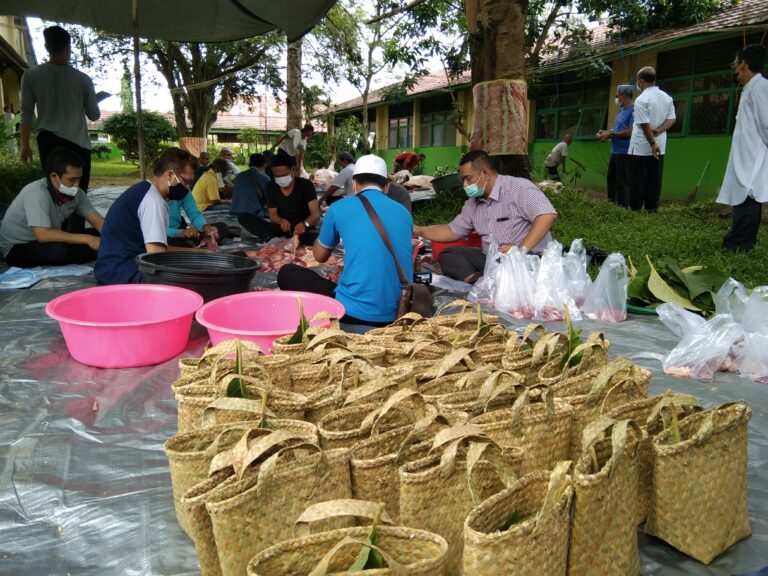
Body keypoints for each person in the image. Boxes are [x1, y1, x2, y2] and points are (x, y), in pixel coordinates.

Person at [277, 154, 413, 326]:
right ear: (386, 186)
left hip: (351, 311)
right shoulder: (403, 212)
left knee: (287, 273)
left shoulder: (339, 208)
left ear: (354, 184)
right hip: (399, 310)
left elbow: (319, 256)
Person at [414, 150, 557, 284]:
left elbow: (546, 215)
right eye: (463, 180)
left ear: (485, 174)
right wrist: (419, 230)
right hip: (492, 260)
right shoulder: (473, 202)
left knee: (520, 271)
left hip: (528, 258)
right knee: (449, 254)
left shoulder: (518, 188)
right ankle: (478, 282)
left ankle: (497, 282)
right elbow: (453, 230)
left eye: (468, 179)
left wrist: (519, 251)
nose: (465, 185)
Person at [20, 25, 101, 233]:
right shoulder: (82, 79)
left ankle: (53, 236)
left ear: (46, 46)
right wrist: (85, 102)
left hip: (49, 143)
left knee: (54, 194)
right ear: (68, 47)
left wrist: (24, 145)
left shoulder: (31, 76)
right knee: (77, 194)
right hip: (77, 145)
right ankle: (74, 240)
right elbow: (94, 115)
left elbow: (26, 112)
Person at [94, 148, 197, 285]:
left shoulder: (145, 190)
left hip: (111, 267)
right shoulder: (153, 201)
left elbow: (157, 247)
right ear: (170, 175)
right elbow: (156, 259)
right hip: (120, 272)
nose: (188, 188)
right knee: (189, 280)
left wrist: (197, 253)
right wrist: (198, 258)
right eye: (186, 181)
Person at [0, 147, 104, 267]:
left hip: (49, 240)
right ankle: (106, 250)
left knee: (102, 234)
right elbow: (43, 235)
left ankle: (106, 249)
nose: (77, 185)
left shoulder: (77, 194)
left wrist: (116, 235)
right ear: (54, 177)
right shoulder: (36, 192)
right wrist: (87, 239)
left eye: (79, 179)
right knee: (60, 252)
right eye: (72, 179)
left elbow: (99, 223)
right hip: (18, 247)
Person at [718, 44, 768, 251]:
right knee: (742, 195)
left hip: (753, 155)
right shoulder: (751, 88)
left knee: (749, 195)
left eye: (736, 62)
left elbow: (766, 123)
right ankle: (739, 240)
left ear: (744, 63)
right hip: (745, 154)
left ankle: (740, 243)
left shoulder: (761, 87)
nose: (734, 68)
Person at [239, 153, 321, 245]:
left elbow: (316, 215)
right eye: (277, 176)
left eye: (284, 175)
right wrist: (281, 221)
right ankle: (272, 239)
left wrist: (305, 224)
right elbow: (273, 216)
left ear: (293, 170)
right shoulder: (271, 186)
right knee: (244, 217)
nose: (280, 178)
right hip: (280, 229)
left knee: (319, 238)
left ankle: (283, 240)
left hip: (302, 230)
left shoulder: (306, 185)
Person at [628, 66, 676, 212]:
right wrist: (659, 131)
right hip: (660, 147)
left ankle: (636, 209)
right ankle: (651, 209)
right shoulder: (667, 97)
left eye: (638, 81)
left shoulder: (641, 99)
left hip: (642, 148)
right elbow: (672, 118)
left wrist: (652, 143)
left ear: (641, 81)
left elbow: (643, 124)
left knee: (637, 180)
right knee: (654, 180)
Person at [597, 85, 635, 206]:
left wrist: (611, 134)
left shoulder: (633, 111)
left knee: (622, 182)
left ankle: (623, 208)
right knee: (611, 180)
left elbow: (630, 131)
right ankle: (612, 205)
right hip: (615, 151)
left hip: (624, 153)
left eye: (618, 94)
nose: (616, 97)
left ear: (624, 95)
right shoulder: (621, 111)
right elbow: (617, 129)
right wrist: (607, 132)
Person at [167, 178, 226, 248]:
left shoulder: (184, 190)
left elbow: (194, 214)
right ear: (171, 175)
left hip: (180, 230)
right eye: (185, 180)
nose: (188, 186)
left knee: (222, 227)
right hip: (166, 235)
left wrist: (205, 226)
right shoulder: (154, 196)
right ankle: (189, 246)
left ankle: (194, 244)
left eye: (189, 182)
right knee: (168, 242)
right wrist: (180, 233)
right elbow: (156, 230)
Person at [230, 153, 270, 235]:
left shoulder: (239, 176)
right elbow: (270, 199)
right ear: (264, 165)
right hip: (254, 213)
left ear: (249, 164)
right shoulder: (265, 177)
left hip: (235, 211)